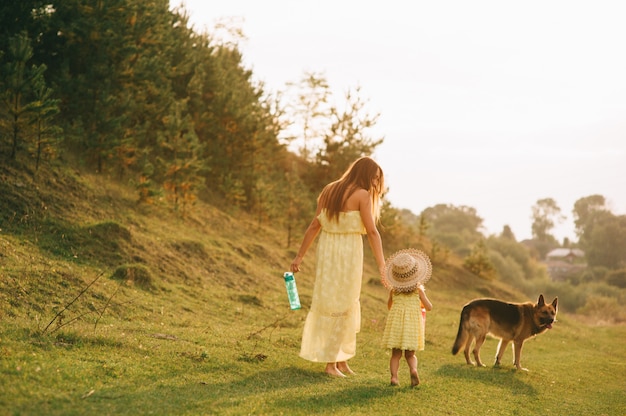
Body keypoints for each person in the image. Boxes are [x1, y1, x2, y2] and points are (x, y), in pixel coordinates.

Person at [290, 156, 386, 377]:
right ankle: (330, 364)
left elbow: (315, 224)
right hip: (348, 253)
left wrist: (299, 257)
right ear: (365, 175)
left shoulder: (329, 189)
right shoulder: (362, 195)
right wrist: (382, 266)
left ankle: (341, 359)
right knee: (343, 303)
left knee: (334, 300)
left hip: (328, 251)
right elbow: (372, 232)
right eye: (374, 179)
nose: (375, 184)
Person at [381, 249, 433, 387]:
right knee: (410, 355)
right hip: (412, 327)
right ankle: (414, 370)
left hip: (397, 326)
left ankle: (394, 378)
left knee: (395, 355)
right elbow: (429, 307)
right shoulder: (418, 291)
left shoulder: (394, 291)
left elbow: (389, 306)